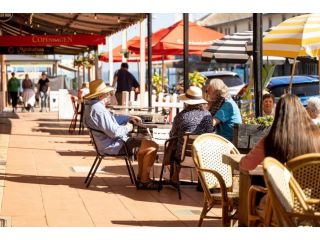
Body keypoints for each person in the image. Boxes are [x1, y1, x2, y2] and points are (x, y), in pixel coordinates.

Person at [84, 79, 160, 190]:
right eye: (108, 94)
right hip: (114, 146)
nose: (109, 96)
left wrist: (128, 118)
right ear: (101, 96)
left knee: (143, 145)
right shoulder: (99, 110)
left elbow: (111, 121)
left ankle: (142, 177)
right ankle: (144, 180)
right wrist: (129, 126)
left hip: (105, 144)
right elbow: (114, 132)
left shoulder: (91, 107)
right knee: (152, 145)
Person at [240, 94, 320, 171]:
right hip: (313, 183)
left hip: (282, 184)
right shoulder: (317, 136)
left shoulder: (270, 141)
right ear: (302, 112)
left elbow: (246, 165)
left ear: (278, 114)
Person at [169, 85, 214, 181]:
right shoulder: (208, 115)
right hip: (202, 156)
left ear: (186, 102)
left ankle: (174, 177)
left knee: (174, 144)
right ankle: (202, 180)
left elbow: (173, 134)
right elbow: (209, 134)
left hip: (183, 156)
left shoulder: (181, 116)